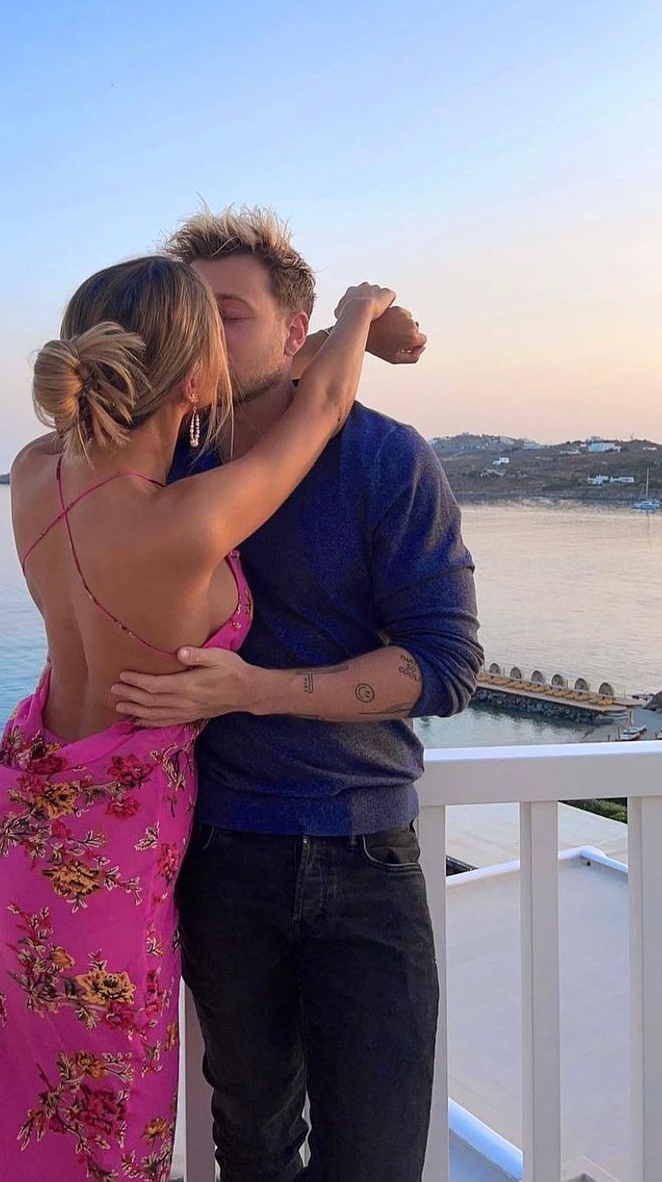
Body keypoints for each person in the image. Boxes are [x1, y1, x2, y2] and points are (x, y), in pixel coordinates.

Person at [0, 254, 400, 1182]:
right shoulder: (189, 520)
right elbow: (324, 409)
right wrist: (360, 310)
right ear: (194, 382)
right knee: (104, 1141)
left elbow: (283, 393)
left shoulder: (31, 473)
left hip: (0, 832)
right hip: (100, 871)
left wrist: (319, 348)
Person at [110, 207, 484, 1182]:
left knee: (376, 1156)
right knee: (253, 1144)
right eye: (188, 316)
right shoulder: (162, 464)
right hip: (221, 854)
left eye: (229, 315)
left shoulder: (386, 460)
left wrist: (256, 690)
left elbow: (445, 663)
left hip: (367, 855)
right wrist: (357, 326)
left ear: (292, 330)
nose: (202, 337)